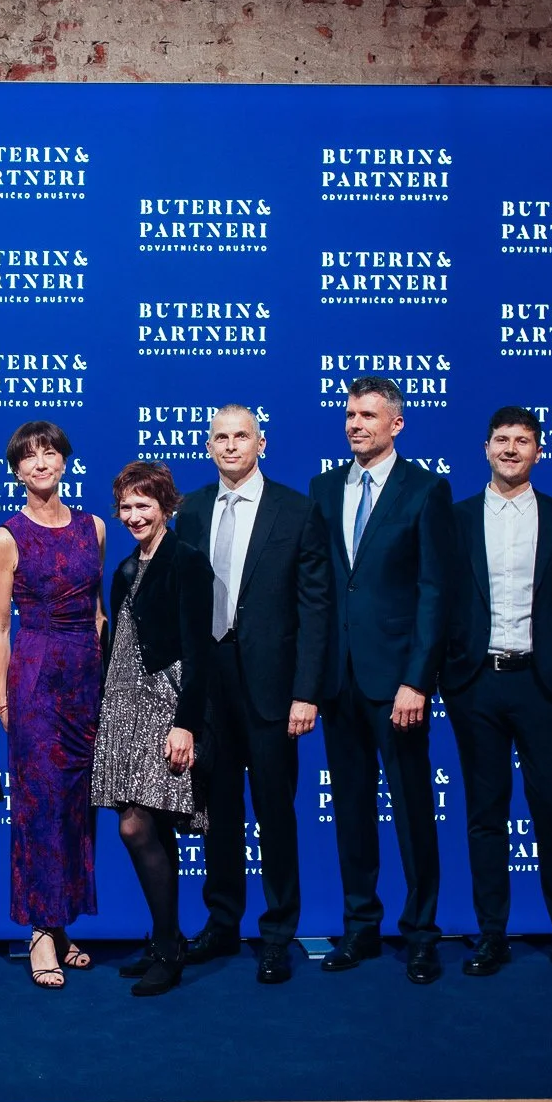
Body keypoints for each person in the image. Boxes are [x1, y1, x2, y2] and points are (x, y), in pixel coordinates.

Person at [176, 405, 332, 986]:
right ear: (208, 447)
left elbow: (316, 607)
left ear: (260, 443)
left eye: (241, 436)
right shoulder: (191, 509)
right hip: (209, 686)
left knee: (274, 811)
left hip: (272, 688)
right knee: (217, 814)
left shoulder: (296, 509)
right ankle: (221, 923)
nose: (230, 446)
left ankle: (277, 933)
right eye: (220, 437)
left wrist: (306, 692)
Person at [439, 407, 552, 983]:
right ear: (485, 448)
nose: (511, 449)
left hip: (543, 684)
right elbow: (439, 598)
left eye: (522, 440)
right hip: (475, 684)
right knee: (485, 815)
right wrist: (448, 671)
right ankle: (491, 937)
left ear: (538, 452)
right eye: (502, 440)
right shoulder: (455, 519)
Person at [310, 376, 455, 984]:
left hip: (398, 683)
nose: (355, 424)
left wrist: (417, 679)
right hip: (338, 679)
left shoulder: (426, 490)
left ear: (396, 424)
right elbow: (320, 588)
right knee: (350, 808)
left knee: (413, 808)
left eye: (368, 415)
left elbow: (435, 591)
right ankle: (360, 925)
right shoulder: (323, 488)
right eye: (350, 414)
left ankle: (420, 932)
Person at [0, 419, 104, 988]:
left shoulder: (93, 527)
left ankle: (61, 923)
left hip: (86, 681)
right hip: (33, 679)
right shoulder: (6, 537)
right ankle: (38, 931)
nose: (40, 463)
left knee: (76, 806)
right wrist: (2, 698)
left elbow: (99, 613)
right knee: (39, 804)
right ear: (16, 470)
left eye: (49, 453)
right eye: (28, 456)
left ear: (64, 461)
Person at [93, 463, 214, 997]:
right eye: (126, 506)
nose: (134, 515)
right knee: (149, 824)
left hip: (166, 704)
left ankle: (168, 946)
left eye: (144, 505)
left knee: (136, 827)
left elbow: (199, 649)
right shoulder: (124, 569)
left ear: (166, 506)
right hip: (123, 705)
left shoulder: (187, 560)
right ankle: (167, 938)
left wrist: (186, 723)